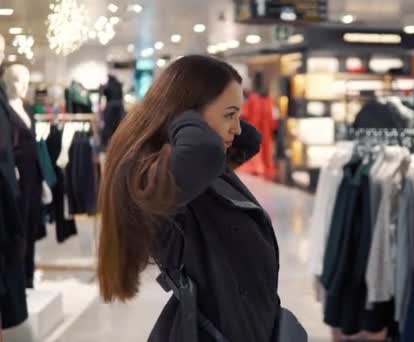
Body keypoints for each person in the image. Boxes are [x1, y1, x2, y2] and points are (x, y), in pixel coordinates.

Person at [97, 55, 287, 341]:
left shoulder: (191, 172)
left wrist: (217, 120)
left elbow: (242, 143)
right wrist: (182, 114)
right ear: (189, 117)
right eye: (229, 114)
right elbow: (205, 151)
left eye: (239, 115)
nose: (236, 128)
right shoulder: (159, 175)